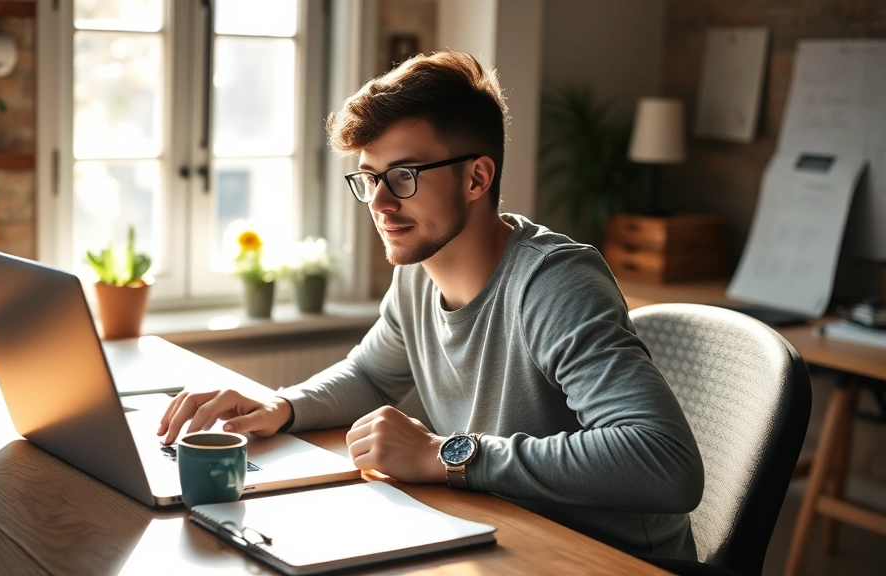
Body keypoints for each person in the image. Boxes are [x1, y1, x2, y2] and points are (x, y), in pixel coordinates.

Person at [158, 50, 704, 561]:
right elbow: (372, 375)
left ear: (477, 177)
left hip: (602, 559)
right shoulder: (419, 274)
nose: (378, 201)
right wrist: (282, 406)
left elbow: (663, 462)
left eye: (403, 175)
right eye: (369, 178)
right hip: (501, 534)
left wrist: (445, 454)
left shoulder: (554, 284)